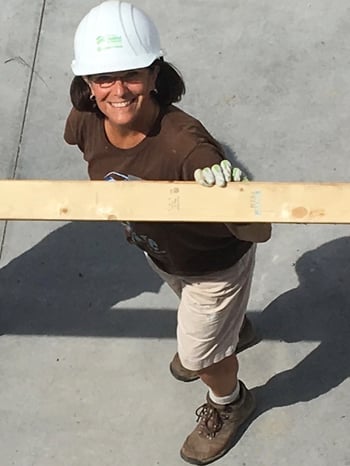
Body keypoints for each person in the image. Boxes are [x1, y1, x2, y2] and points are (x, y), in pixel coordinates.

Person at [64, 1, 272, 464]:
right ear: (87, 84)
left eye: (132, 75)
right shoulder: (84, 121)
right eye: (103, 78)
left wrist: (230, 185)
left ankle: (230, 403)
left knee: (199, 359)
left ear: (156, 74)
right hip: (163, 254)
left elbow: (257, 225)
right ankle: (229, 330)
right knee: (203, 325)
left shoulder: (186, 144)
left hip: (212, 264)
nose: (117, 91)